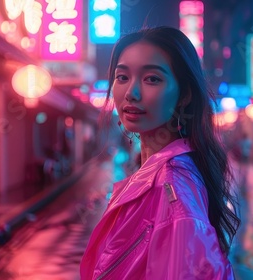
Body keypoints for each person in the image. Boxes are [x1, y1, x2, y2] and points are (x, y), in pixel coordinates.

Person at [80, 26, 240, 279]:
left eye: (152, 79)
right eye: (122, 77)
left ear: (184, 95)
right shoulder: (162, 174)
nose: (131, 93)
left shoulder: (172, 192)